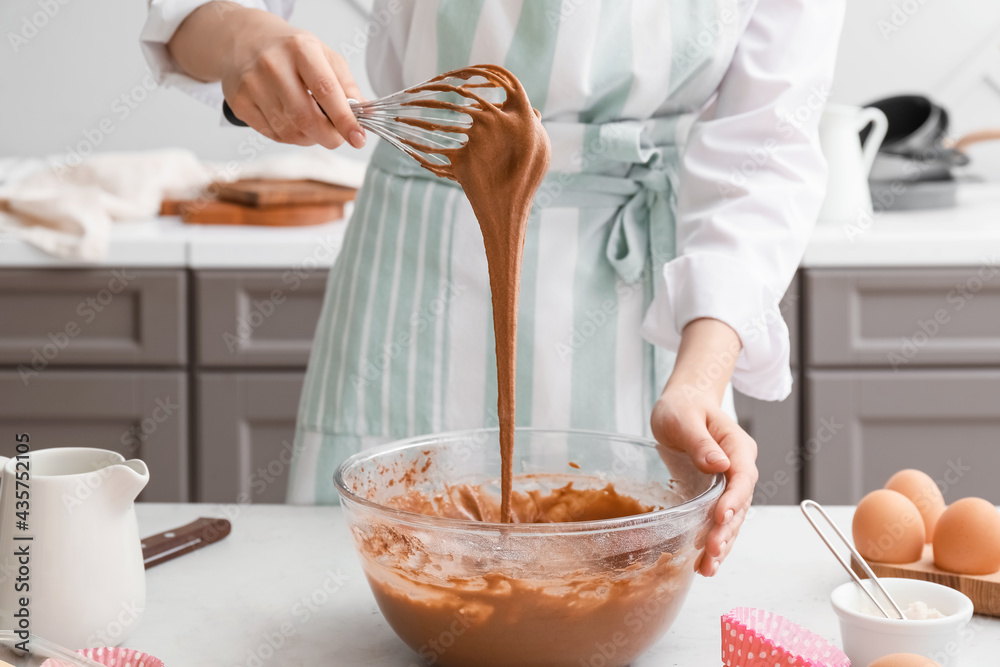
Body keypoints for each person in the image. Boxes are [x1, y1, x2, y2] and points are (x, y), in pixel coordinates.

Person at [142, 0, 844, 576]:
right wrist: (246, 35)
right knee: (356, 604)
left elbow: (767, 150)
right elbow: (191, 16)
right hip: (415, 281)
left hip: (644, 312)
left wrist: (698, 381)